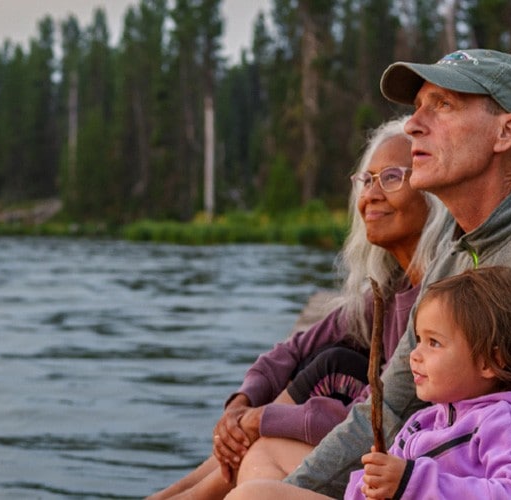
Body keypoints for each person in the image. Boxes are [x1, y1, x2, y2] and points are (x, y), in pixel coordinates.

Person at [279, 49, 511, 499]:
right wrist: (295, 489)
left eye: (443, 105)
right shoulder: (452, 252)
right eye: (418, 107)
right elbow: (390, 403)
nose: (412, 126)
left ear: (506, 132)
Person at [147, 116, 448, 499]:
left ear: (432, 190)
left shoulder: (441, 301)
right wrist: (241, 404)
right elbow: (293, 350)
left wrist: (260, 418)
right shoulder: (390, 292)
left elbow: (382, 417)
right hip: (368, 452)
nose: (371, 194)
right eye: (366, 180)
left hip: (403, 469)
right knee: (329, 360)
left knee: (261, 454)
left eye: (390, 177)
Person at [228, 266, 511, 500]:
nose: (414, 356)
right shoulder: (425, 421)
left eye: (434, 343)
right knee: (254, 493)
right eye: (417, 340)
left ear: (491, 361)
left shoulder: (509, 425)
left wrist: (409, 481)